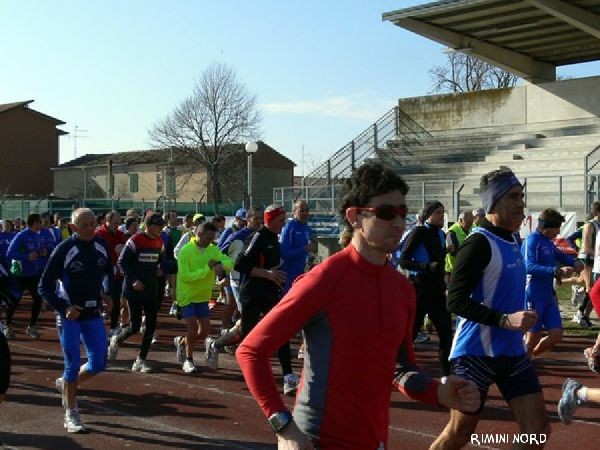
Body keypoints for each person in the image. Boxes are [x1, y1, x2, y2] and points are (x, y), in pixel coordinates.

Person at [236, 164, 478, 449]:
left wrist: (438, 392)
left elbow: (400, 369)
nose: (399, 223)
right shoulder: (323, 280)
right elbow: (250, 351)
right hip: (317, 440)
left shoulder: (402, 290)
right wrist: (284, 427)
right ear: (355, 216)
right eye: (387, 213)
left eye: (403, 212)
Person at [430, 168, 547, 449]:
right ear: (493, 202)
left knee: (537, 431)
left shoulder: (513, 239)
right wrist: (505, 320)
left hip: (512, 353)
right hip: (475, 354)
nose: (521, 203)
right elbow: (454, 300)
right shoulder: (478, 243)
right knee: (460, 433)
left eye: (522, 196)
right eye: (513, 197)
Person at [38, 208, 113, 433]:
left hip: (93, 315)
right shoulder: (64, 249)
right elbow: (44, 286)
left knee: (98, 363)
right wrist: (64, 308)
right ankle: (71, 413)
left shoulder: (101, 245)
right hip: (70, 316)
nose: (90, 228)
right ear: (73, 227)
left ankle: (67, 385)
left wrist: (108, 294)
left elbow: (108, 272)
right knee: (71, 366)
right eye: (85, 225)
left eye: (93, 224)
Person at [221, 205, 301, 395]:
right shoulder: (257, 237)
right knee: (248, 336)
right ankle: (216, 344)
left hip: (270, 294)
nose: (283, 225)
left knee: (280, 331)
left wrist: (277, 277)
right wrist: (268, 274)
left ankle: (288, 377)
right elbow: (239, 264)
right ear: (270, 221)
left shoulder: (274, 237)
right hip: (251, 294)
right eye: (281, 221)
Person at [399, 201, 452, 378]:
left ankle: (446, 375)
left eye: (443, 213)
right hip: (420, 288)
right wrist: (427, 266)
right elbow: (403, 260)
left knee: (445, 333)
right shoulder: (418, 232)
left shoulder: (442, 234)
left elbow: (440, 259)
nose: (441, 216)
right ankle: (397, 368)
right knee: (411, 332)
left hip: (436, 290)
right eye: (437, 212)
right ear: (428, 214)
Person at [522, 209, 583, 357]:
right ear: (547, 227)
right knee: (532, 337)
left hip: (548, 295)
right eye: (556, 228)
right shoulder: (533, 241)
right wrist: (556, 271)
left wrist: (574, 261)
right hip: (533, 295)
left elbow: (560, 255)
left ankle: (526, 361)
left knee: (556, 335)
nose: (558, 232)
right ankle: (521, 365)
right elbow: (528, 266)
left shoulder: (548, 242)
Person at [108, 213, 164, 373]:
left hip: (151, 289)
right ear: (149, 226)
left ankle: (140, 360)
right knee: (135, 326)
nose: (160, 228)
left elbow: (161, 260)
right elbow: (122, 262)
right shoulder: (135, 240)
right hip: (134, 290)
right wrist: (133, 280)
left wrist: (162, 268)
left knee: (151, 326)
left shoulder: (159, 241)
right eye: (158, 225)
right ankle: (117, 339)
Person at [173, 221, 232, 373]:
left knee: (204, 332)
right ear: (199, 234)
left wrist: (220, 264)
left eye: (213, 239)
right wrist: (208, 269)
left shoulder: (212, 249)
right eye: (208, 238)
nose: (210, 242)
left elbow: (229, 262)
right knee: (192, 329)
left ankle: (181, 342)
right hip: (187, 296)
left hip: (203, 296)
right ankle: (189, 359)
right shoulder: (185, 251)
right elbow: (186, 277)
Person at [5, 213, 46, 339]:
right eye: (40, 222)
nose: (42, 224)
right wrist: (26, 257)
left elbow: (35, 252)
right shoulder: (21, 236)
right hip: (20, 274)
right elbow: (10, 253)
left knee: (38, 299)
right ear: (34, 222)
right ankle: (8, 326)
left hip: (33, 273)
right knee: (15, 301)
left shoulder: (37, 235)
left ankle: (32, 327)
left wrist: (41, 252)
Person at [95, 211, 127, 337]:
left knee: (116, 299)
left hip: (117, 272)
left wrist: (122, 249)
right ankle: (97, 326)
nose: (117, 225)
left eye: (119, 223)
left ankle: (113, 327)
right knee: (101, 298)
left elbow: (124, 249)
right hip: (102, 272)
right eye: (114, 223)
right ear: (107, 221)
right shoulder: (99, 234)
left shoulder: (120, 234)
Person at [280, 200, 316, 294]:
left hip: (303, 274)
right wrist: (305, 249)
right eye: (302, 210)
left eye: (307, 210)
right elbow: (284, 254)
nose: (305, 213)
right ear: (294, 211)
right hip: (290, 276)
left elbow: (310, 250)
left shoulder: (307, 228)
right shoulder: (289, 228)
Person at [445, 210, 474, 279]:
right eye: (468, 223)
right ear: (461, 220)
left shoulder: (471, 228)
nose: (470, 225)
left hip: (465, 268)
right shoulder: (452, 232)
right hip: (453, 270)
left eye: (471, 223)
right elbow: (453, 252)